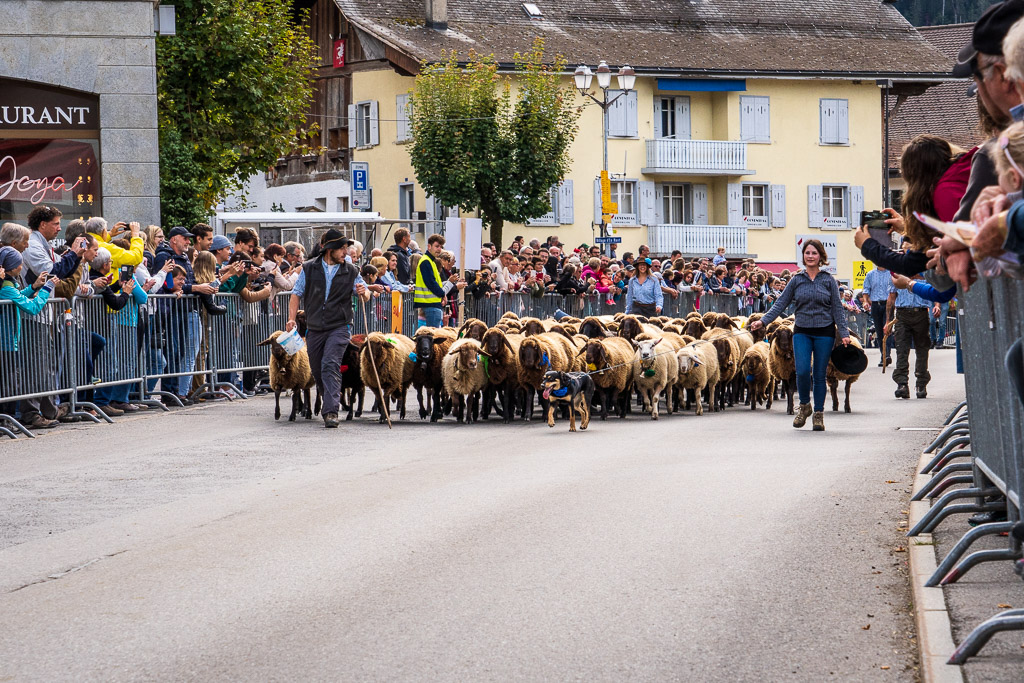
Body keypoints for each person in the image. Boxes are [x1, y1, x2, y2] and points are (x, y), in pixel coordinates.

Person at [750, 239, 849, 432]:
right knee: (802, 371)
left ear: (821, 256)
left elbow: (837, 308)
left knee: (819, 375)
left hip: (824, 332)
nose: (810, 256)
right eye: (807, 253)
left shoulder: (828, 280)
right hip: (802, 331)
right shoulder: (796, 280)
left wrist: (844, 333)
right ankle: (804, 406)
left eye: (814, 253)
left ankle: (818, 414)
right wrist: (763, 321)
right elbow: (780, 303)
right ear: (803, 256)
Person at [287, 229, 367, 428]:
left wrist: (363, 292)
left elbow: (364, 294)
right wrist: (291, 319)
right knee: (317, 369)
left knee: (330, 363)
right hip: (314, 327)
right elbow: (296, 294)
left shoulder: (351, 271)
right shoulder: (309, 268)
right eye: (342, 248)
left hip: (339, 325)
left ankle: (331, 411)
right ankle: (329, 400)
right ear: (330, 249)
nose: (346, 252)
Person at [0, 246, 59, 428]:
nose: (22, 265)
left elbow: (18, 296)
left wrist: (34, 287)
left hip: (9, 341)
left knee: (10, 381)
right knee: (8, 383)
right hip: (6, 342)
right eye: (20, 262)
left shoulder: (9, 284)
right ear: (12, 266)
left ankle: (7, 419)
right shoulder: (6, 287)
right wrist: (47, 288)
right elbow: (33, 308)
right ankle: (6, 419)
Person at [886, 255, 934, 400]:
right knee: (901, 349)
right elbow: (891, 298)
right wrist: (887, 321)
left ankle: (921, 383)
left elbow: (935, 290)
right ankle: (902, 384)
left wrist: (937, 306)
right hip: (902, 315)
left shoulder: (925, 272)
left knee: (922, 349)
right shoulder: (897, 273)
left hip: (921, 313)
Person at [414, 234, 464, 328]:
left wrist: (443, 292)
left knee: (433, 333)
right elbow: (431, 283)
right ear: (429, 246)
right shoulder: (426, 261)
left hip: (432, 303)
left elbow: (436, 283)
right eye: (437, 246)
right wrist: (443, 293)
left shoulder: (431, 261)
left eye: (441, 247)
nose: (439, 249)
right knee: (433, 333)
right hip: (430, 303)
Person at [862, 263, 894, 365]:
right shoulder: (870, 274)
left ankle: (886, 355)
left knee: (887, 330)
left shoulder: (891, 274)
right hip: (875, 305)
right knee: (879, 332)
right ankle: (883, 354)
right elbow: (866, 290)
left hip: (888, 305)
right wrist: (865, 302)